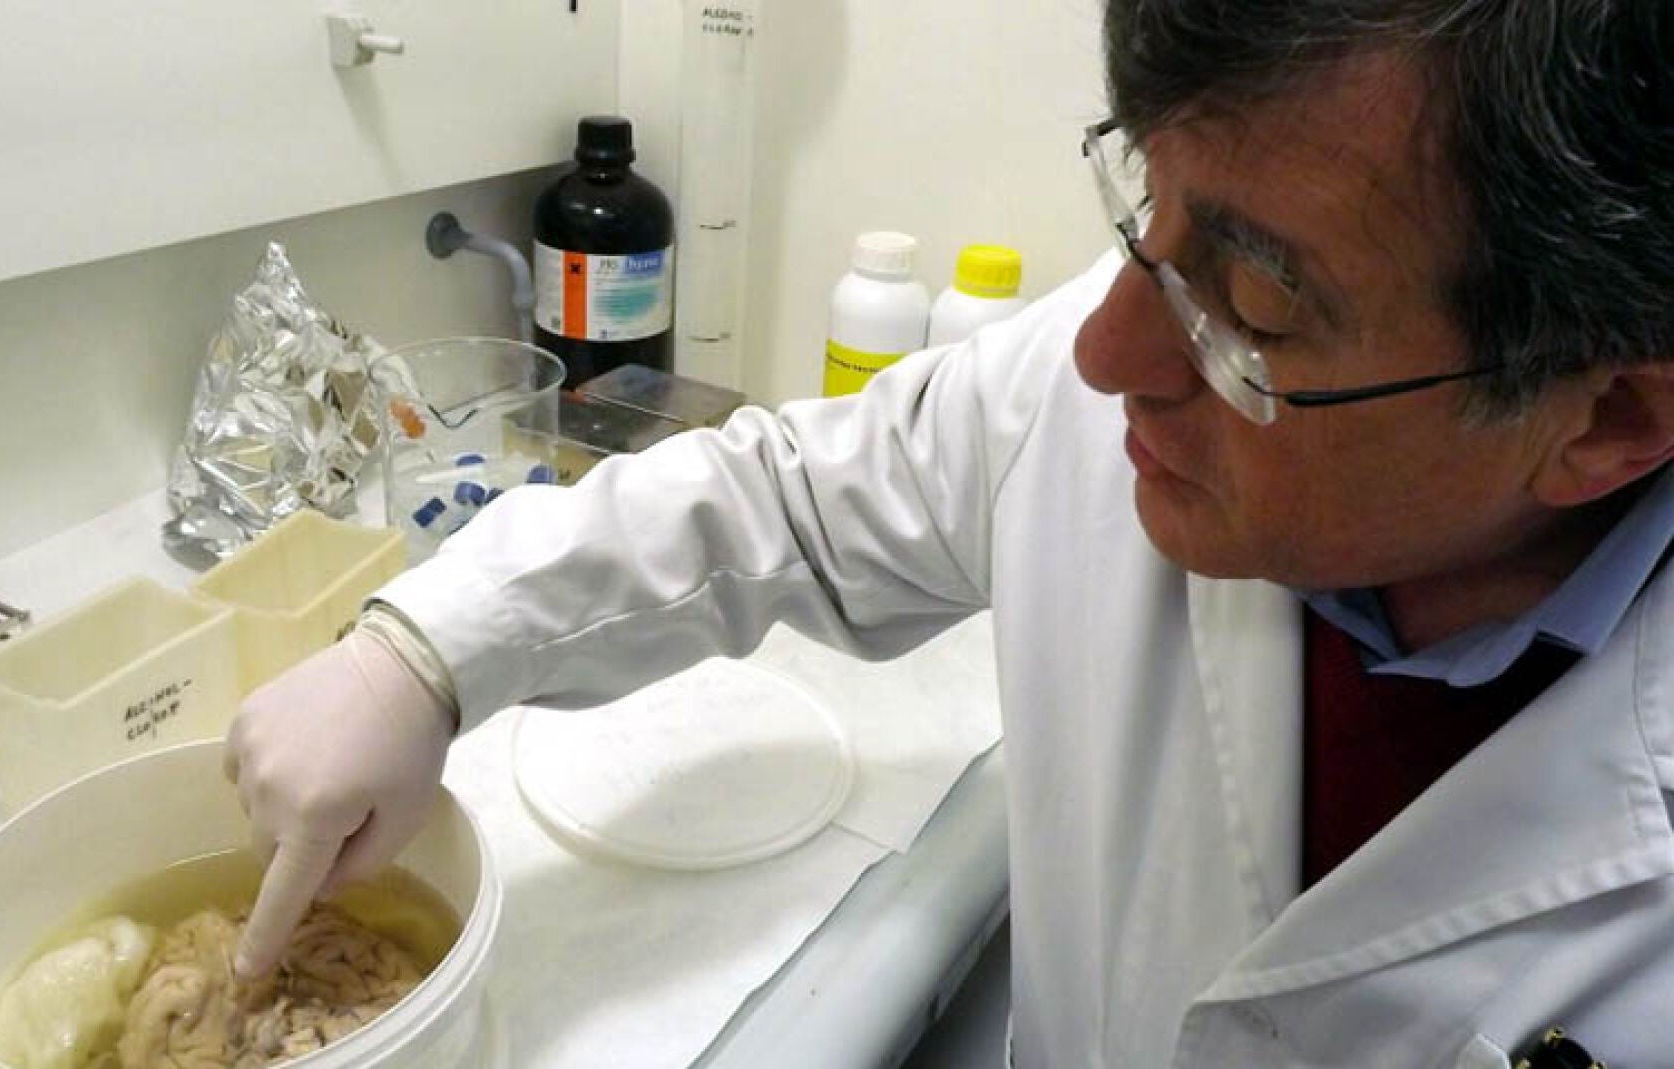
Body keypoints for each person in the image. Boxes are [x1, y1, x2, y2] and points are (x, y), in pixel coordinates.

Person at [224, 0, 1674, 1062]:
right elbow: (785, 500)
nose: (1105, 352)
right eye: (1146, 208)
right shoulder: (1091, 390)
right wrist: (431, 651)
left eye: (1257, 306)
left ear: (1607, 417)